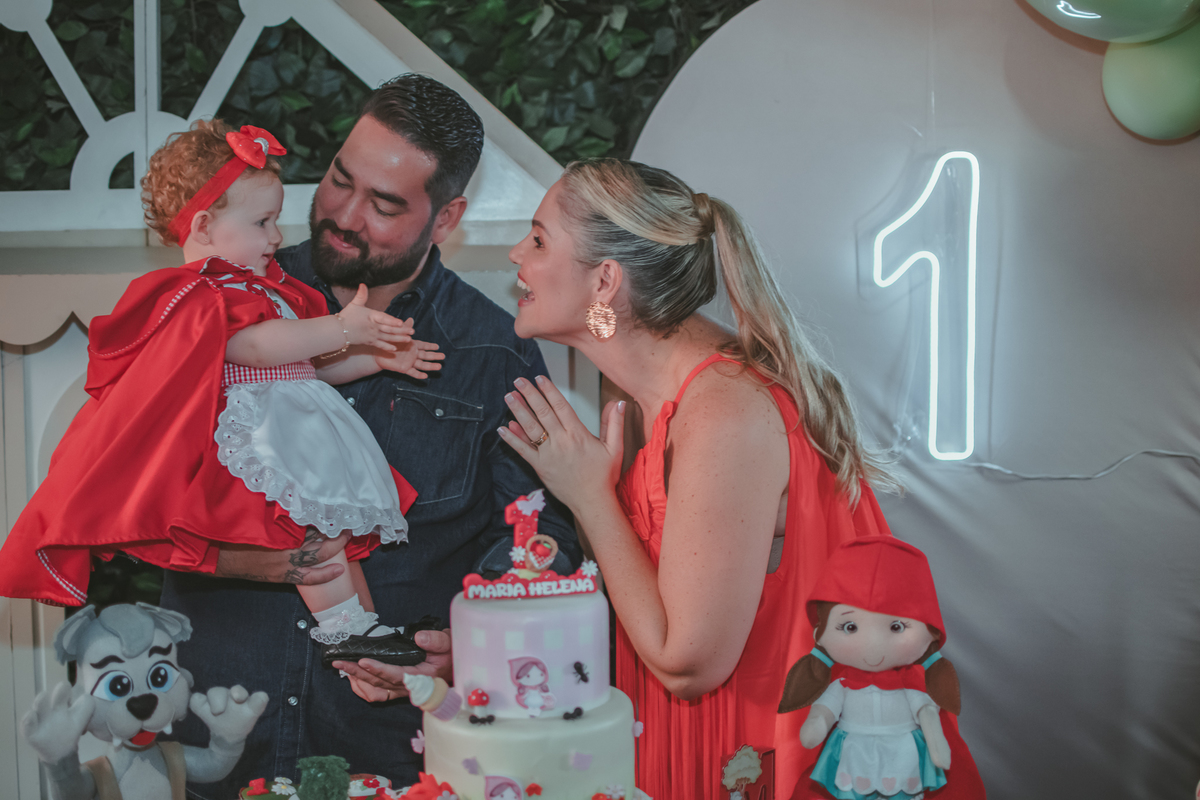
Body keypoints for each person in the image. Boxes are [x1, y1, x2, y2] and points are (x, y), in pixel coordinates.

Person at [159, 75, 579, 797]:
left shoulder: (491, 353)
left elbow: (542, 536)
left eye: (384, 205)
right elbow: (136, 495)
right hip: (217, 731)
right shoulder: (224, 302)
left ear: (446, 218)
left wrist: (472, 645)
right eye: (338, 180)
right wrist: (276, 563)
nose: (343, 216)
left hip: (388, 750)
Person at [497, 158, 909, 799]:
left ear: (605, 280)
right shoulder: (646, 392)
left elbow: (689, 663)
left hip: (748, 760)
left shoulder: (724, 409)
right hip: (682, 747)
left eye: (541, 238)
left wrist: (587, 496)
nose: (517, 252)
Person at [0, 119, 446, 669]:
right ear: (207, 225)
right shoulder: (199, 294)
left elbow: (305, 367)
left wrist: (374, 358)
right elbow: (255, 350)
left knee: (330, 533)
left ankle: (361, 629)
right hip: (257, 440)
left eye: (275, 221)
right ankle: (347, 630)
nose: (276, 237)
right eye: (262, 222)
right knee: (314, 537)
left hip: (296, 428)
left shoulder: (264, 288)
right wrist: (343, 329)